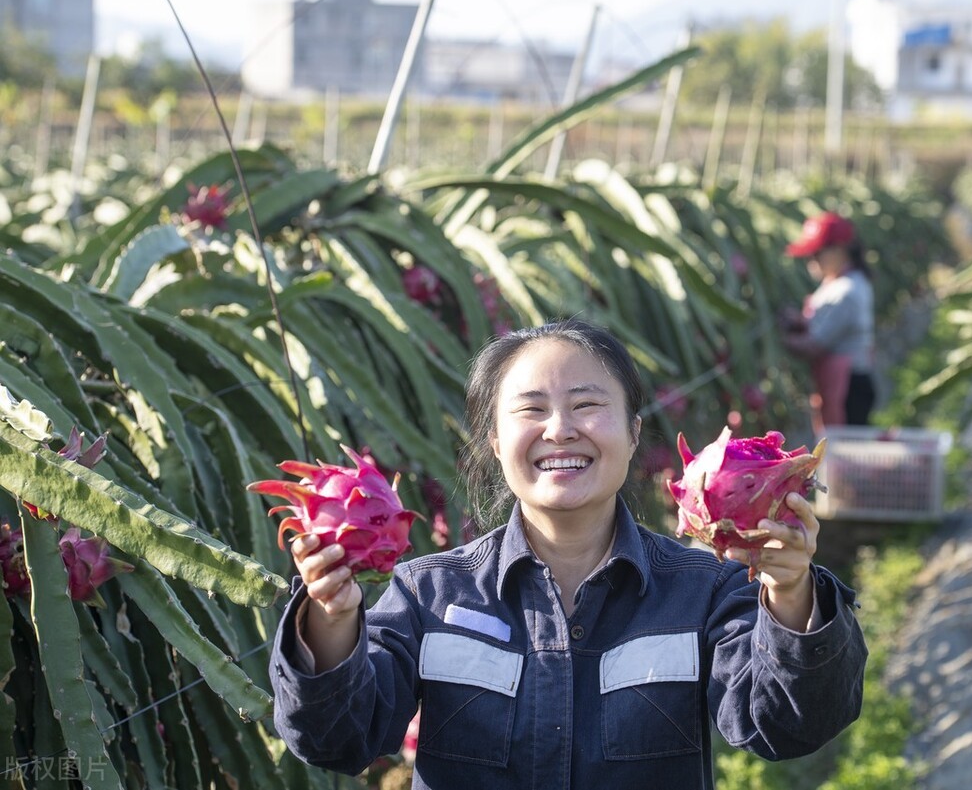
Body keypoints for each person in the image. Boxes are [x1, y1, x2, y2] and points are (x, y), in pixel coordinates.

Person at [270, 319, 867, 789]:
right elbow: (337, 740)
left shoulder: (705, 588)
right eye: (530, 410)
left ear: (634, 433)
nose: (559, 429)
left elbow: (789, 726)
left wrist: (790, 595)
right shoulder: (427, 594)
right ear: (495, 442)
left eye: (586, 405)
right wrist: (330, 617)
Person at [782, 212, 877, 431]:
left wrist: (780, 340)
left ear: (840, 250)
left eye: (817, 253)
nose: (811, 260)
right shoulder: (842, 282)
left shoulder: (846, 292)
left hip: (849, 388)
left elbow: (815, 345)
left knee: (846, 454)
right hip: (847, 383)